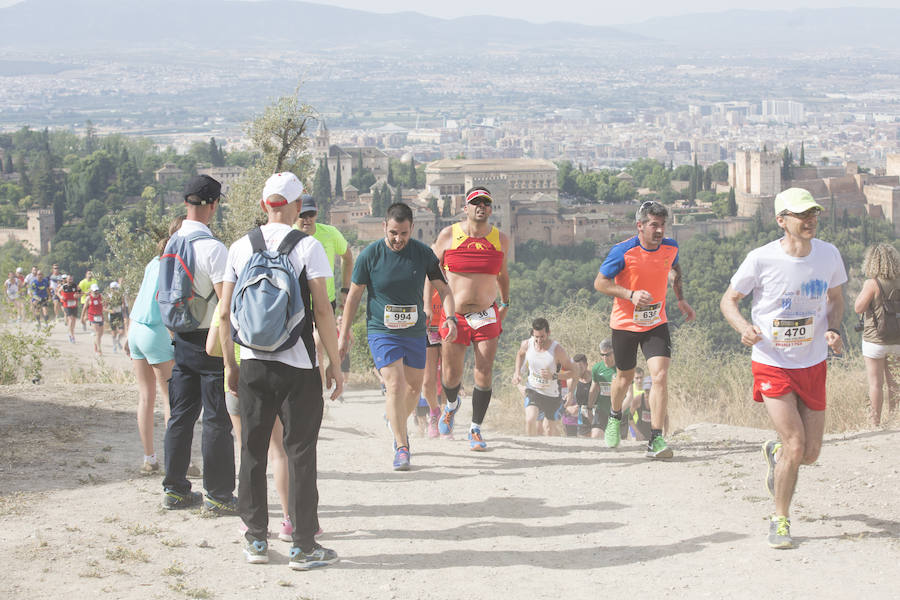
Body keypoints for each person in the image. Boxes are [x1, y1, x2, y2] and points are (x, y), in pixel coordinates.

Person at [219, 171, 342, 569]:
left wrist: (230, 365)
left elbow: (224, 314)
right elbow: (322, 310)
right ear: (295, 206)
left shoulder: (239, 247)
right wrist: (334, 362)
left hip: (253, 363)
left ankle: (256, 539)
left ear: (263, 205)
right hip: (298, 364)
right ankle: (303, 546)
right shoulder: (308, 247)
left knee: (252, 450)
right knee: (300, 452)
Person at [720, 187, 846, 549]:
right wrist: (744, 328)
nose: (810, 220)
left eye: (813, 213)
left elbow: (836, 299)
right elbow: (729, 301)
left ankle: (775, 456)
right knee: (795, 443)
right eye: (801, 214)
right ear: (781, 220)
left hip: (813, 362)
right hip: (772, 362)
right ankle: (780, 519)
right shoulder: (761, 259)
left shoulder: (829, 254)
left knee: (810, 453)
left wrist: (834, 330)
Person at [339, 202, 456, 471]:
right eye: (393, 233)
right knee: (395, 385)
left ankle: (396, 421)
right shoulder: (370, 255)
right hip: (382, 331)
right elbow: (353, 297)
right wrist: (343, 334)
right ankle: (402, 446)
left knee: (415, 388)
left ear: (412, 228)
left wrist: (450, 318)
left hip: (414, 332)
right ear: (384, 227)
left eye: (403, 233)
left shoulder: (423, 254)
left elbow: (444, 290)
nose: (398, 239)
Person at [594, 200, 695, 458]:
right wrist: (630, 294)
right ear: (640, 225)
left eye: (662, 225)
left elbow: (675, 269)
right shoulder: (623, 251)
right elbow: (600, 283)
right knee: (624, 378)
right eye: (654, 225)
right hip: (625, 325)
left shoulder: (671, 247)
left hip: (655, 323)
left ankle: (656, 439)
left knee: (659, 376)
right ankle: (615, 415)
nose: (659, 230)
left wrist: (680, 299)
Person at [161, 174, 236, 515]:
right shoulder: (213, 248)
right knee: (217, 420)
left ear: (185, 203)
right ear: (214, 205)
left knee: (180, 417)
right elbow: (225, 307)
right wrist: (231, 358)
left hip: (180, 339)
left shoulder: (172, 243)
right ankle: (218, 495)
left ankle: (175, 489)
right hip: (210, 341)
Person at [431, 186, 510, 451]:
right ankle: (451, 405)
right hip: (455, 315)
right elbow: (431, 272)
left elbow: (503, 274)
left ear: (491, 209)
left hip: (486, 314)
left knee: (484, 371)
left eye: (486, 203)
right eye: (476, 202)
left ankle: (475, 428)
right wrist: (428, 306)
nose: (481, 206)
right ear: (465, 208)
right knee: (451, 375)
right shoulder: (448, 235)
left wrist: (506, 301)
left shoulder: (501, 239)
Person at [124, 220, 181, 473]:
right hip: (156, 330)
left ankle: (149, 457)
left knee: (146, 396)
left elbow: (140, 296)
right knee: (171, 398)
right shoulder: (174, 264)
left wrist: (128, 333)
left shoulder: (152, 263)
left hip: (136, 327)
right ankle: (177, 461)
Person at [854, 243, 900, 426]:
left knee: (875, 384)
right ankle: (895, 421)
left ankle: (875, 423)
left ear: (872, 261)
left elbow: (858, 307)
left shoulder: (872, 284)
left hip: (875, 340)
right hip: (897, 340)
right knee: (895, 384)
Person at [512, 318, 575, 438]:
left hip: (552, 395)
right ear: (533, 333)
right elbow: (520, 355)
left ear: (548, 333)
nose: (539, 340)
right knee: (530, 419)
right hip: (533, 390)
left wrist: (554, 376)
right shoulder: (527, 344)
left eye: (542, 336)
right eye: (536, 337)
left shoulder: (557, 350)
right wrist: (517, 373)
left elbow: (572, 372)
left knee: (549, 430)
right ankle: (531, 445)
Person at [293, 194, 353, 312]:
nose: (307, 219)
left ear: (317, 213)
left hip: (326, 302)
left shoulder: (330, 233)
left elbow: (348, 258)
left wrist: (345, 289)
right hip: (297, 304)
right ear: (296, 213)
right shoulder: (288, 234)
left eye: (311, 214)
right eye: (303, 215)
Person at [420, 289, 444, 438]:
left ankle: (446, 417)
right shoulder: (422, 275)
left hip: (448, 324)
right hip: (428, 327)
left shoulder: (450, 274)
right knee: (428, 382)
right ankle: (434, 412)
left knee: (448, 378)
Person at [588, 338, 617, 440]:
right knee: (595, 435)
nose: (605, 357)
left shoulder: (622, 368)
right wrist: (589, 408)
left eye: (608, 354)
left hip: (618, 411)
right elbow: (594, 389)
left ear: (614, 352)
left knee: (616, 441)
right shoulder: (597, 368)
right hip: (602, 409)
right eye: (602, 355)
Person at [565, 354, 590, 437]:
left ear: (586, 365)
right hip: (578, 421)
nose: (578, 370)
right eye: (575, 368)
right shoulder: (570, 381)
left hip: (595, 418)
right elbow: (565, 402)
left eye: (580, 367)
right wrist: (568, 409)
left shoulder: (595, 379)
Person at [81, 283, 104, 355]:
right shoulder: (88, 298)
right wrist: (82, 317)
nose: (96, 292)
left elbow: (105, 305)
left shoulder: (101, 296)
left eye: (97, 290)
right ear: (91, 291)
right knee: (97, 333)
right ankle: (99, 350)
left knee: (100, 334)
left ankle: (96, 345)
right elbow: (84, 308)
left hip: (100, 316)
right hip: (92, 317)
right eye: (94, 291)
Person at [58, 274, 80, 343]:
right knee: (70, 319)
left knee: (74, 320)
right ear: (66, 279)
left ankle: (71, 331)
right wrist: (61, 297)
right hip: (66, 305)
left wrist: (77, 295)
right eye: (69, 279)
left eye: (71, 279)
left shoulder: (75, 286)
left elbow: (81, 293)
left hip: (74, 305)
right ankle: (71, 335)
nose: (70, 280)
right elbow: (58, 292)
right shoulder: (63, 286)